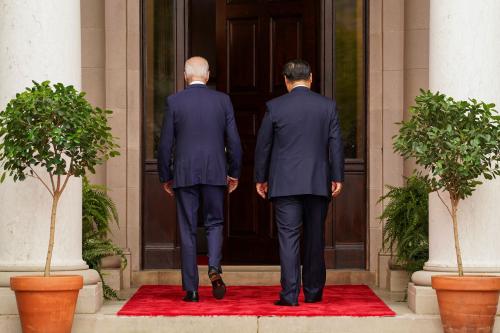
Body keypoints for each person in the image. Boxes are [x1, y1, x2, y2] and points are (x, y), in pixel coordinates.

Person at [254, 59, 344, 306]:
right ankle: (314, 292)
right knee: (315, 238)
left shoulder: (275, 107)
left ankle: (290, 295)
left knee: (288, 238)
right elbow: (335, 144)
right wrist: (337, 176)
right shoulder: (327, 106)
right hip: (317, 182)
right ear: (311, 78)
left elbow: (264, 146)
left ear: (286, 80)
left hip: (284, 184)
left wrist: (260, 178)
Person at [158, 56, 243, 302]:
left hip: (184, 174)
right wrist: (234, 172)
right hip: (216, 172)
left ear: (186, 76)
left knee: (187, 230)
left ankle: (192, 290)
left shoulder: (174, 101)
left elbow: (165, 144)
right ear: (207, 75)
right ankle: (214, 268)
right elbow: (234, 142)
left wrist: (166, 175)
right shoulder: (222, 101)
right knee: (215, 223)